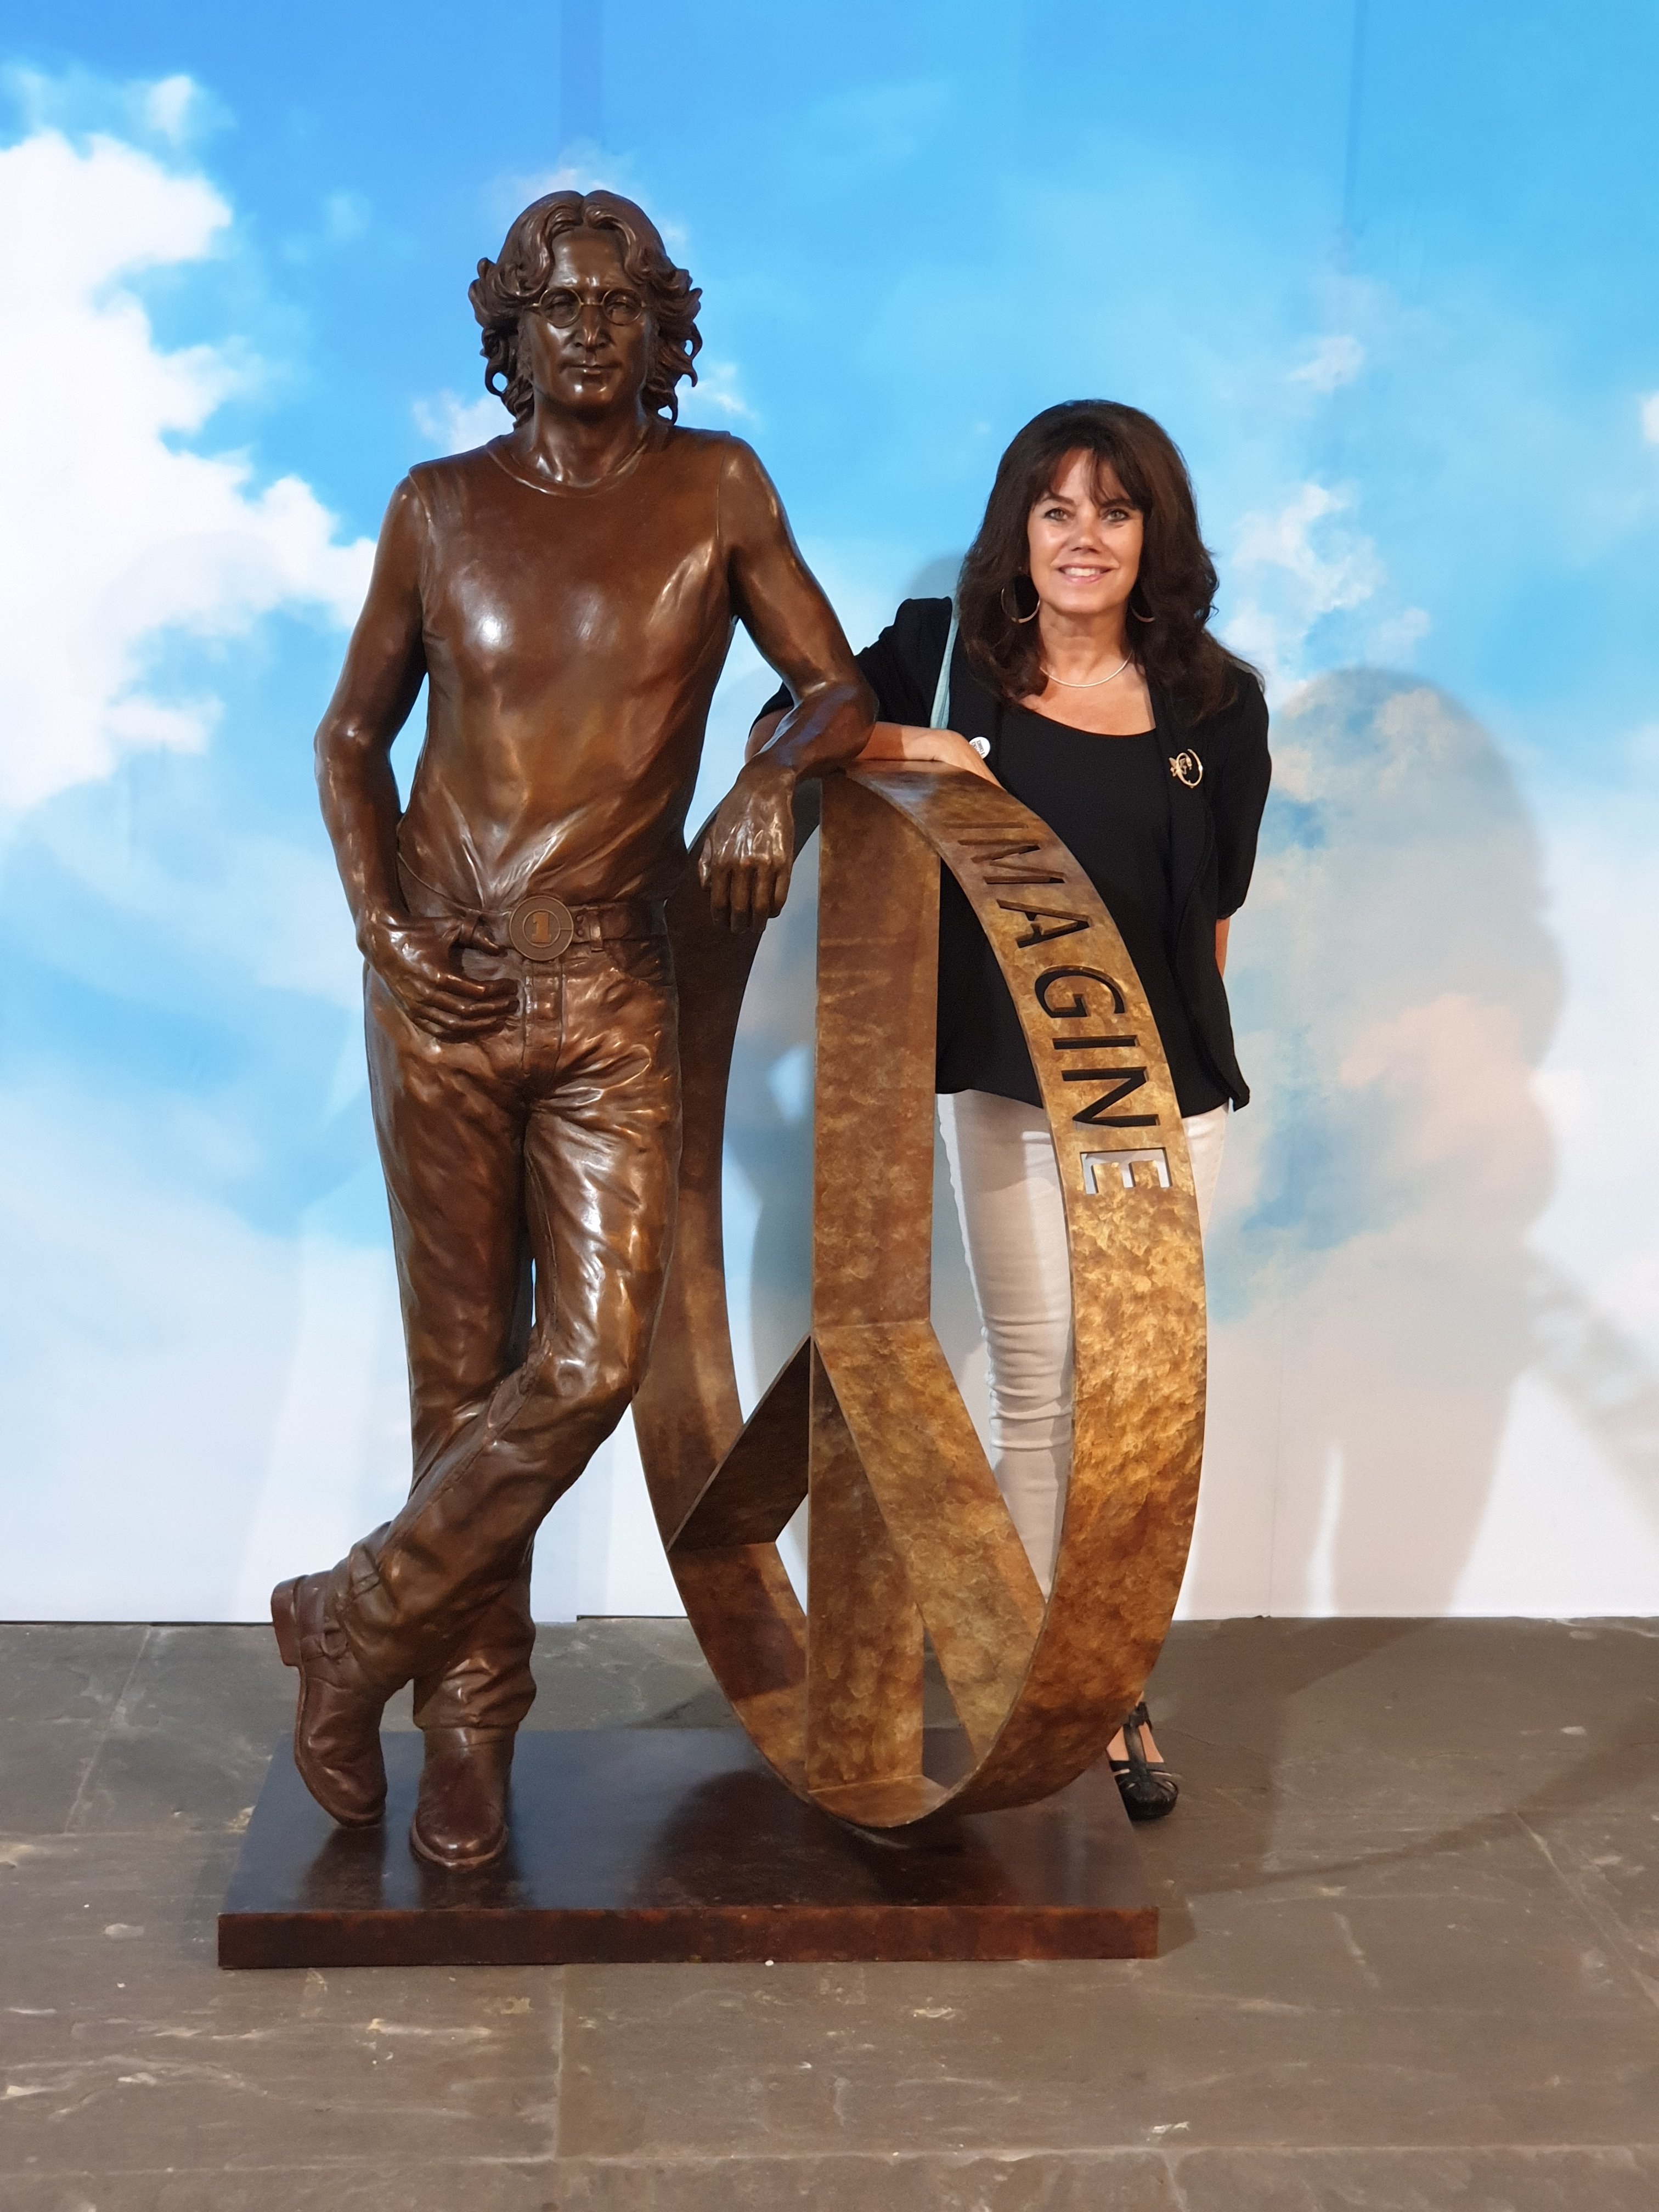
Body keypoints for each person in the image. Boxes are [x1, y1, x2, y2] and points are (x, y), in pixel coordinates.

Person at [272, 189, 872, 1870]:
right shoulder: (437, 509)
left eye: (621, 306)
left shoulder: (718, 489)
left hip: (615, 989)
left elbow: (835, 685)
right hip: (444, 991)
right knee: (459, 1388)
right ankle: (468, 1738)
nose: (591, 330)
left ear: (664, 329)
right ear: (509, 331)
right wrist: (383, 927)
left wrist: (772, 776)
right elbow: (347, 740)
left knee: (593, 1359)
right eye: (559, 306)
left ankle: (351, 1619)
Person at [749, 399, 1270, 1818]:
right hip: (1001, 1095)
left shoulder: (1217, 705)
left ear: (1151, 535)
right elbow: (798, 725)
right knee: (1040, 1389)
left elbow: (1211, 915)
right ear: (1018, 530)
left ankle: (1102, 1668)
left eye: (1113, 511)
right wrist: (917, 759)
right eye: (1057, 511)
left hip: (1161, 1111)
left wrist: (1168, 1078)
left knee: (1138, 1404)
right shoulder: (940, 656)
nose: (1083, 538)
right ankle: (1075, 1696)